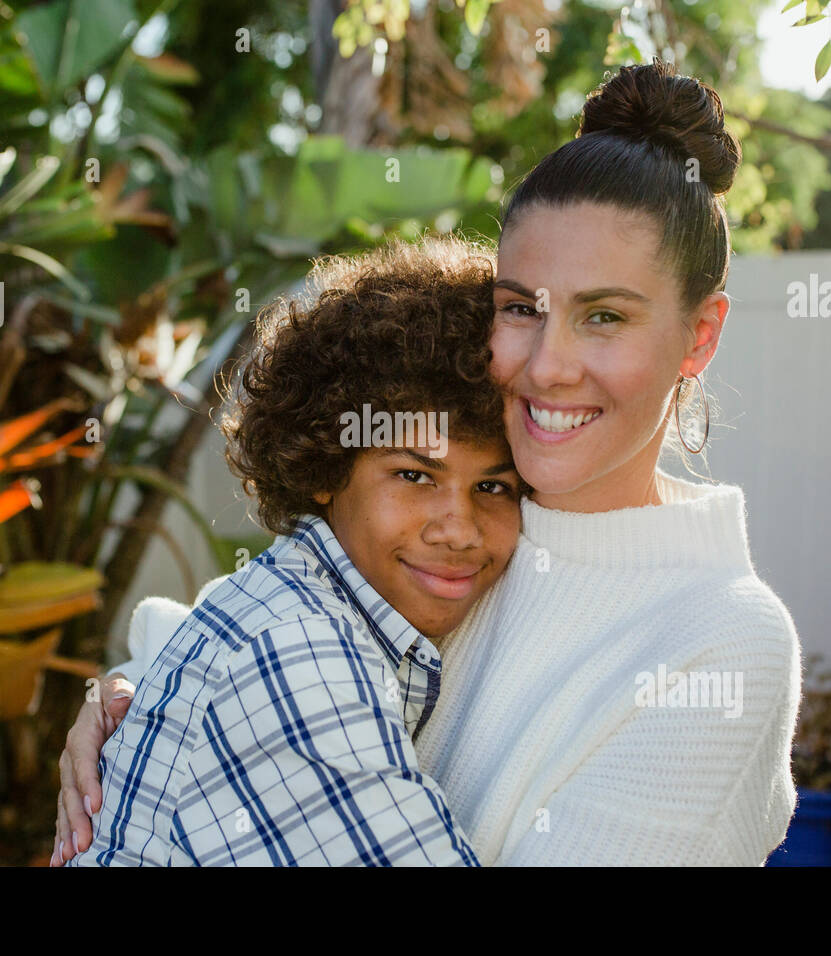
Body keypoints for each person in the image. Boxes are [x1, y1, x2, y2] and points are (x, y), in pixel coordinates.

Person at [55, 59, 802, 866]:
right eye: (521, 308)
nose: (547, 366)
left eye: (604, 316)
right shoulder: (477, 532)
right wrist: (124, 698)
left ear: (700, 336)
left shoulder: (722, 639)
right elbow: (251, 630)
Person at [62, 237, 522, 865]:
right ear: (325, 470)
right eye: (414, 476)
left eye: (493, 487)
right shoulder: (303, 656)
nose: (459, 529)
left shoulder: (285, 601)